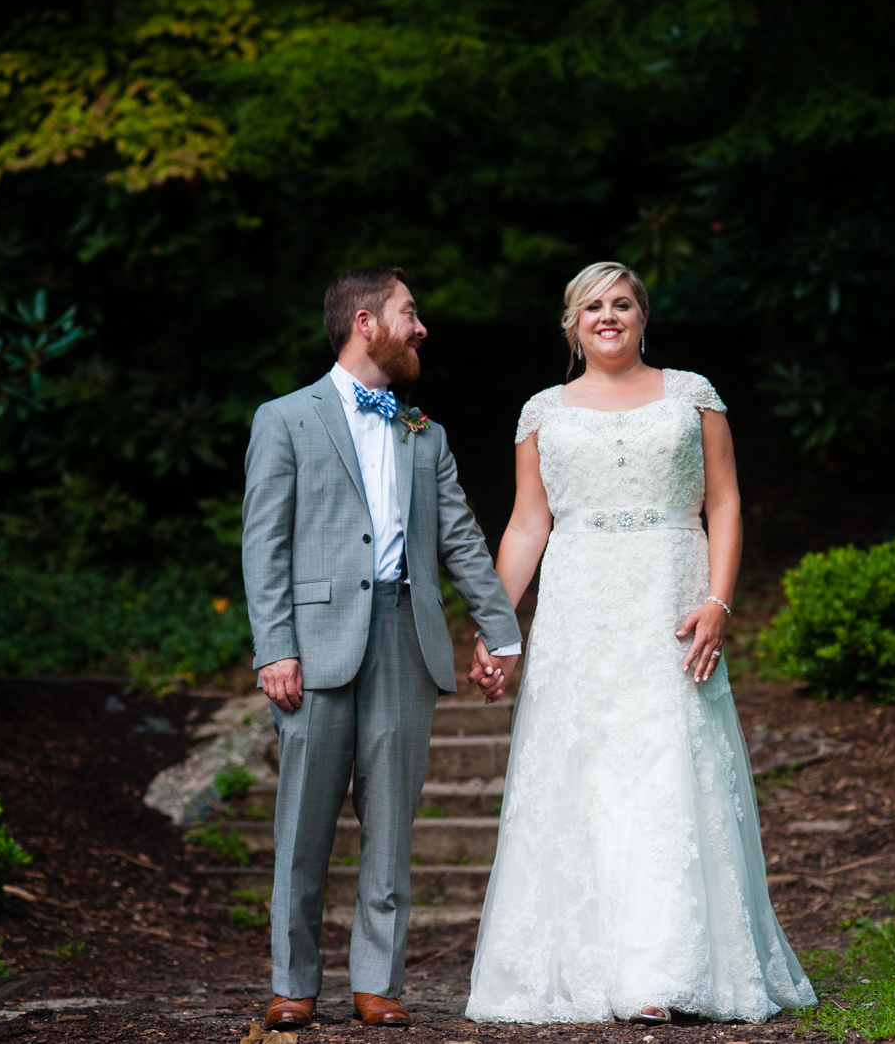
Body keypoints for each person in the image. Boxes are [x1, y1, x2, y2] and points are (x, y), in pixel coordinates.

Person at [464, 262, 817, 1024]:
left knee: (668, 773)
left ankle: (664, 969)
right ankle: (588, 964)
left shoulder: (692, 395)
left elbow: (723, 501)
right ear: (571, 324)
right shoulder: (542, 413)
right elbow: (530, 523)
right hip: (579, 610)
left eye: (622, 303)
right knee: (584, 773)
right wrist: (499, 628)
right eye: (592, 305)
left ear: (644, 317)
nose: (608, 315)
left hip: (671, 602)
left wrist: (718, 600)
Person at [242, 267, 520, 1030]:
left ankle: (377, 980)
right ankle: (293, 981)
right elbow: (263, 543)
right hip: (315, 645)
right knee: (303, 825)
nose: (420, 326)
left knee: (392, 824)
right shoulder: (285, 419)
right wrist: (275, 647)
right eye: (409, 313)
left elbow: (460, 538)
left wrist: (500, 632)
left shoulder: (422, 433)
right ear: (366, 323)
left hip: (406, 636)